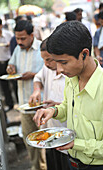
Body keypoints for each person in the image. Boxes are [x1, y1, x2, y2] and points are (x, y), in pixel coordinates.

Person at [33, 21, 103, 170]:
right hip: (73, 161)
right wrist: (54, 111)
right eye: (56, 62)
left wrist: (78, 144)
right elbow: (69, 107)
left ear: (84, 54)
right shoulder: (71, 79)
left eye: (64, 62)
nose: (60, 69)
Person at [6, 20, 46, 170]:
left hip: (41, 105)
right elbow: (12, 65)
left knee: (45, 140)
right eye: (17, 38)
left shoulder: (43, 48)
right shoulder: (18, 49)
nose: (19, 42)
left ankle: (45, 166)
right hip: (24, 104)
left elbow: (51, 72)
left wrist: (33, 75)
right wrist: (10, 68)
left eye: (23, 38)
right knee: (29, 141)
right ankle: (36, 167)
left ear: (32, 35)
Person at [29, 39, 69, 170]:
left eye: (50, 60)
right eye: (44, 60)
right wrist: (36, 90)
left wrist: (56, 107)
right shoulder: (48, 68)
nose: (46, 64)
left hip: (66, 135)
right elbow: (38, 78)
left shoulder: (70, 73)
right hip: (49, 133)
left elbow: (75, 104)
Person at [0, 18, 14, 112]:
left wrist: (9, 44)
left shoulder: (8, 34)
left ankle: (17, 103)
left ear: (0, 25)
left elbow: (14, 44)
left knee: (14, 82)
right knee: (4, 85)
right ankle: (9, 104)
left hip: (9, 61)